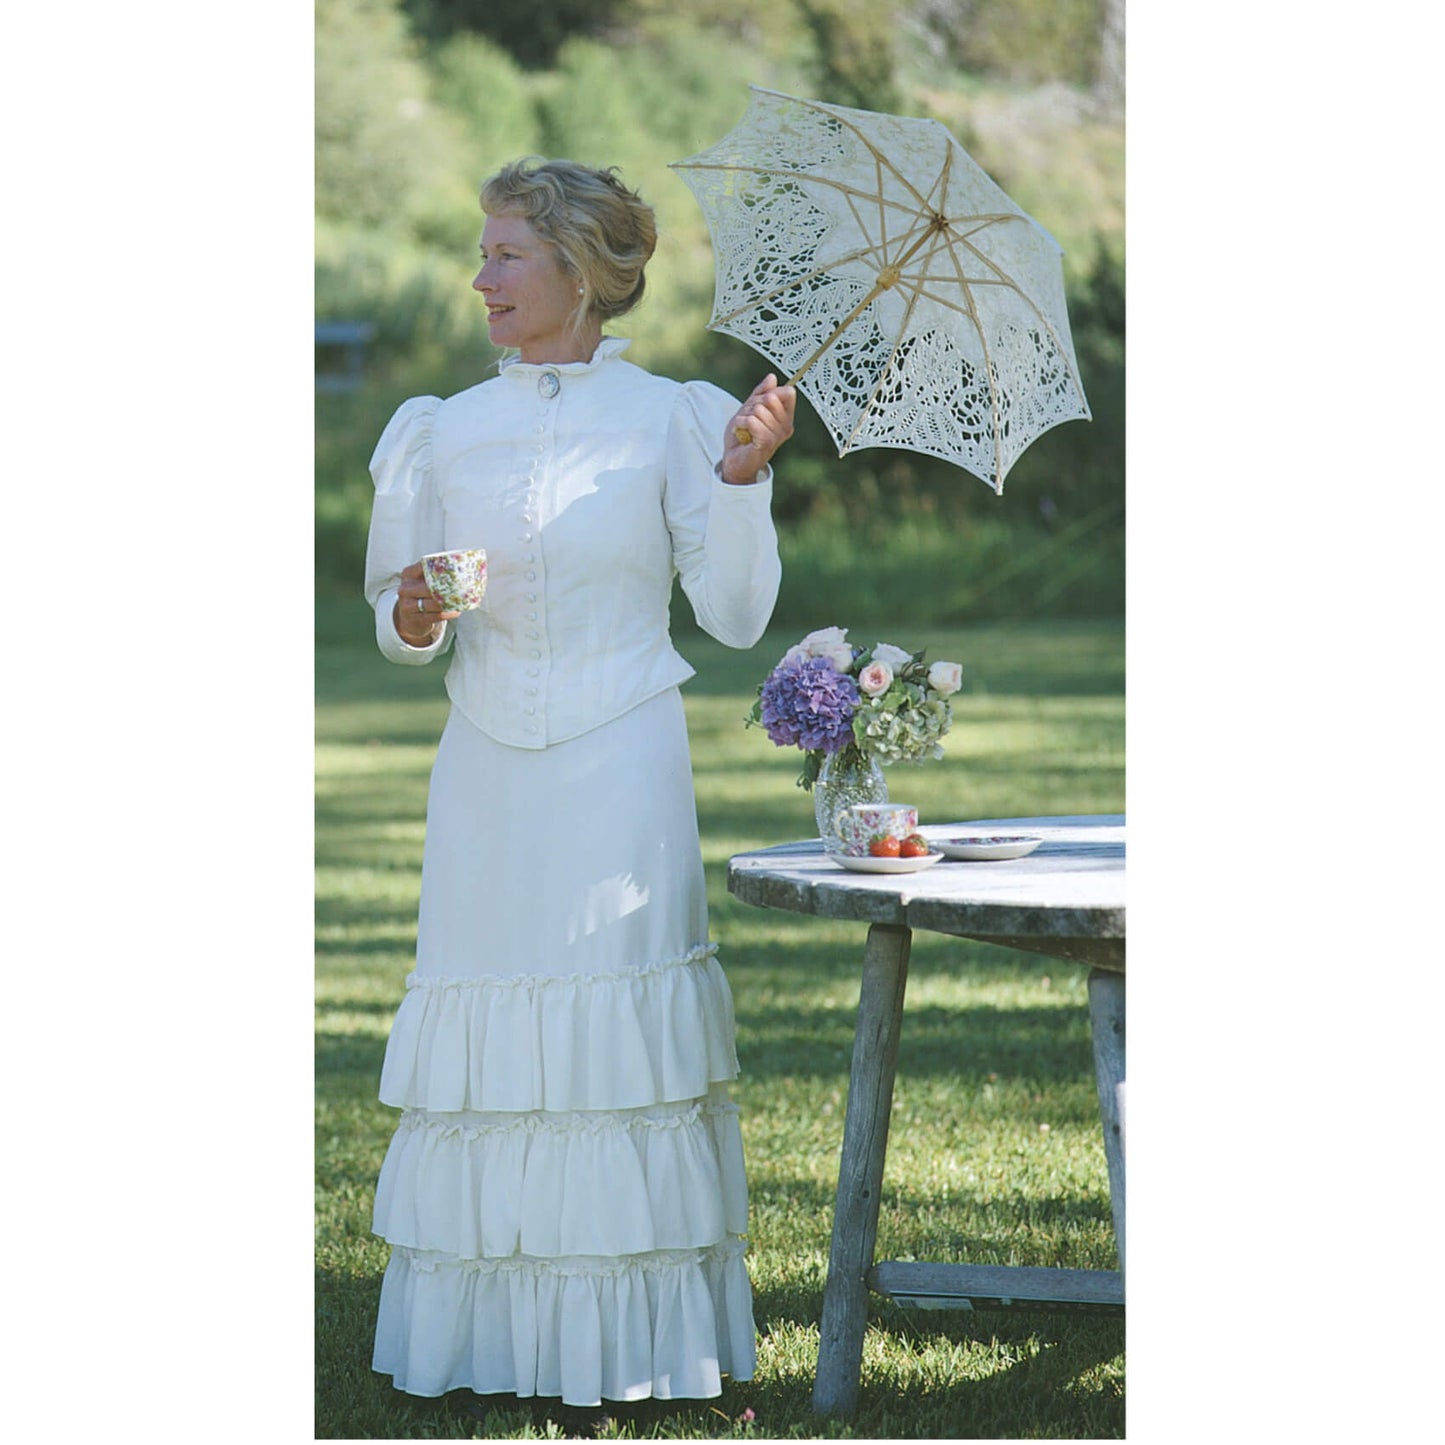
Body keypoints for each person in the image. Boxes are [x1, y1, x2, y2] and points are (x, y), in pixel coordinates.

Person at [362, 158, 795, 1422]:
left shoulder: (673, 416)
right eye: (483, 251)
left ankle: (628, 1349)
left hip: (621, 763)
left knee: (619, 1053)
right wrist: (420, 604)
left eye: (505, 253)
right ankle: (493, 1333)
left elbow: (732, 614)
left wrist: (740, 479)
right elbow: (399, 619)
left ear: (580, 273)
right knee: (488, 1046)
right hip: (484, 775)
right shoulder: (439, 426)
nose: (482, 276)